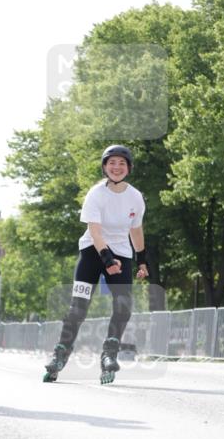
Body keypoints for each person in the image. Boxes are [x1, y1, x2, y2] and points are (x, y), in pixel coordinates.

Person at [43, 145, 149, 385]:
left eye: (122, 163)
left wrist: (142, 259)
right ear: (104, 166)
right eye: (112, 163)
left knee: (124, 306)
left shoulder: (135, 197)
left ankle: (109, 355)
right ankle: (60, 355)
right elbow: (95, 230)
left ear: (128, 168)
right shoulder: (96, 194)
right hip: (93, 251)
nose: (117, 167)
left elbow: (136, 229)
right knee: (78, 307)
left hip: (121, 254)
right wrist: (106, 258)